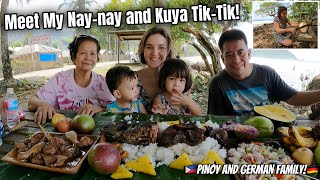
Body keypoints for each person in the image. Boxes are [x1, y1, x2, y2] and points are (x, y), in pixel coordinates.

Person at [207, 29, 320, 116]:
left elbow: (294, 98)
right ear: (222, 59)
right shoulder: (218, 83)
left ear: (249, 54)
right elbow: (216, 120)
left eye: (240, 52)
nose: (236, 60)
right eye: (229, 55)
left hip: (269, 137)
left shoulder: (266, 74)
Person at [28, 34, 114, 124]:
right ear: (74, 57)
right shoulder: (59, 80)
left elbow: (117, 110)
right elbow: (31, 101)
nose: (88, 57)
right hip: (63, 133)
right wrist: (41, 103)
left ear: (97, 58)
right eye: (83, 53)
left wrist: (100, 109)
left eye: (92, 53)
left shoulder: (104, 83)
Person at [136, 26, 173, 113]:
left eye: (161, 47)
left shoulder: (178, 78)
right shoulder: (130, 79)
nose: (155, 53)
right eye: (149, 47)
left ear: (167, 51)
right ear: (143, 50)